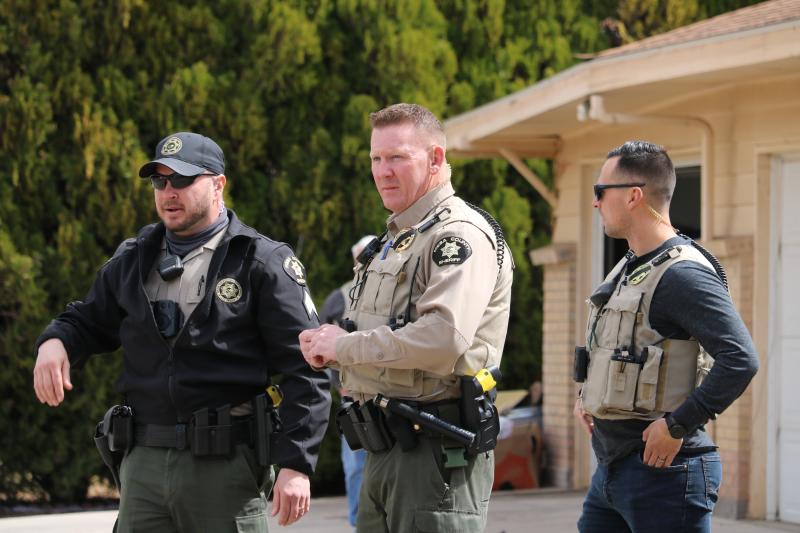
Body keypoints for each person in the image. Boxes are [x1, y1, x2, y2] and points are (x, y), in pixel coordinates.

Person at [32, 131, 331, 532]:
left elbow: (307, 368)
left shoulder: (260, 260)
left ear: (218, 184)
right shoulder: (134, 257)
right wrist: (55, 342)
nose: (169, 192)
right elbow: (86, 320)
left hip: (224, 468)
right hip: (144, 464)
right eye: (160, 180)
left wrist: (296, 463)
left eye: (184, 179)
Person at [299, 103, 514, 532]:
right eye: (376, 159)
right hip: (383, 449)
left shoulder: (456, 236)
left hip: (434, 455)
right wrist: (332, 343)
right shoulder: (395, 239)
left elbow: (442, 338)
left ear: (435, 159)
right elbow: (383, 330)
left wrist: (342, 346)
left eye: (397, 157)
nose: (383, 171)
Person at [573, 140, 759, 532]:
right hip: (611, 469)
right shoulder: (628, 267)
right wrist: (589, 398)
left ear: (634, 196)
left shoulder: (683, 275)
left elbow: (740, 358)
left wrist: (677, 425)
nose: (595, 203)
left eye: (600, 192)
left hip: (664, 475)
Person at [318, 235, 375, 529]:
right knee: (355, 465)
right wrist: (338, 383)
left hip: (388, 394)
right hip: (353, 399)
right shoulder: (339, 298)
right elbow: (320, 348)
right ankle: (357, 523)